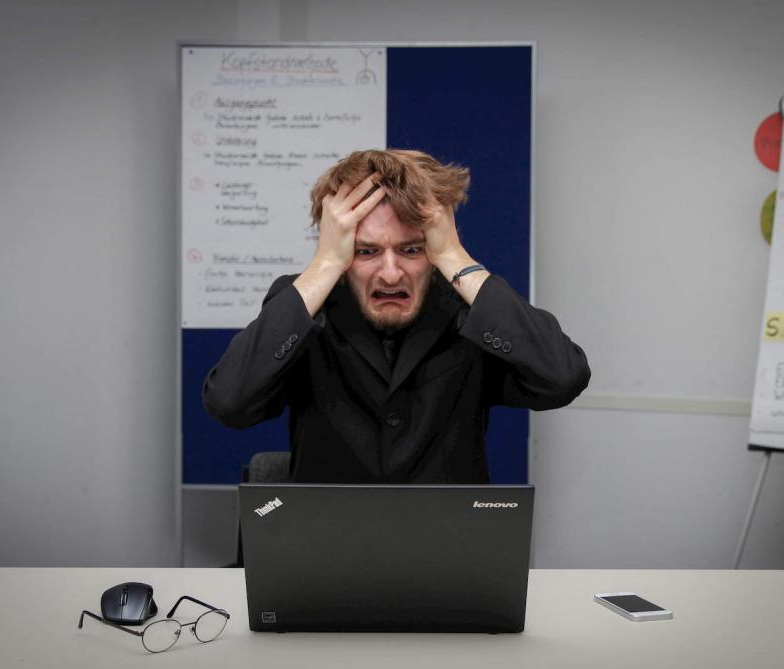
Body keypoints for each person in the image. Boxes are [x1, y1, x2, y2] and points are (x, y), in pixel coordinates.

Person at [203, 149, 590, 483]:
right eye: (366, 251)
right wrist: (324, 265)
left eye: (411, 250)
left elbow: (561, 377)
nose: (390, 274)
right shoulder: (307, 306)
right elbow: (230, 402)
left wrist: (454, 258)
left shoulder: (465, 308)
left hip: (449, 551)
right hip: (327, 552)